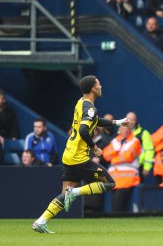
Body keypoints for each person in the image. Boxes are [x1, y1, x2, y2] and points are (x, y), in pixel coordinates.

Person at [32, 75, 130, 233]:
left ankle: (40, 221)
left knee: (64, 195)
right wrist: (94, 148)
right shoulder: (90, 108)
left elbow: (95, 121)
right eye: (98, 84)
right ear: (93, 88)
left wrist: (118, 122)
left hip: (68, 154)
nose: (101, 86)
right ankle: (75, 192)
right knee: (109, 184)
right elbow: (85, 129)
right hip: (79, 158)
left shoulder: (81, 102)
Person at [103, 125, 142, 212]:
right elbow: (105, 155)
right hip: (114, 180)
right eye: (123, 128)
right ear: (119, 129)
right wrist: (117, 151)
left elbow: (128, 156)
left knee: (119, 207)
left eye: (127, 128)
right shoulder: (115, 141)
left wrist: (114, 156)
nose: (125, 130)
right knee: (115, 206)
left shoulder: (135, 141)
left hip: (127, 180)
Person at [126, 112, 155, 180]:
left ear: (136, 121)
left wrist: (146, 168)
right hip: (123, 169)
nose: (130, 122)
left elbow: (149, 151)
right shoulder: (120, 134)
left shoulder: (143, 134)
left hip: (138, 168)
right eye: (128, 119)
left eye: (132, 120)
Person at [0, 89, 19, 163]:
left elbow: (14, 127)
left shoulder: (11, 113)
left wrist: (14, 137)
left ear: (4, 100)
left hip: (6, 136)